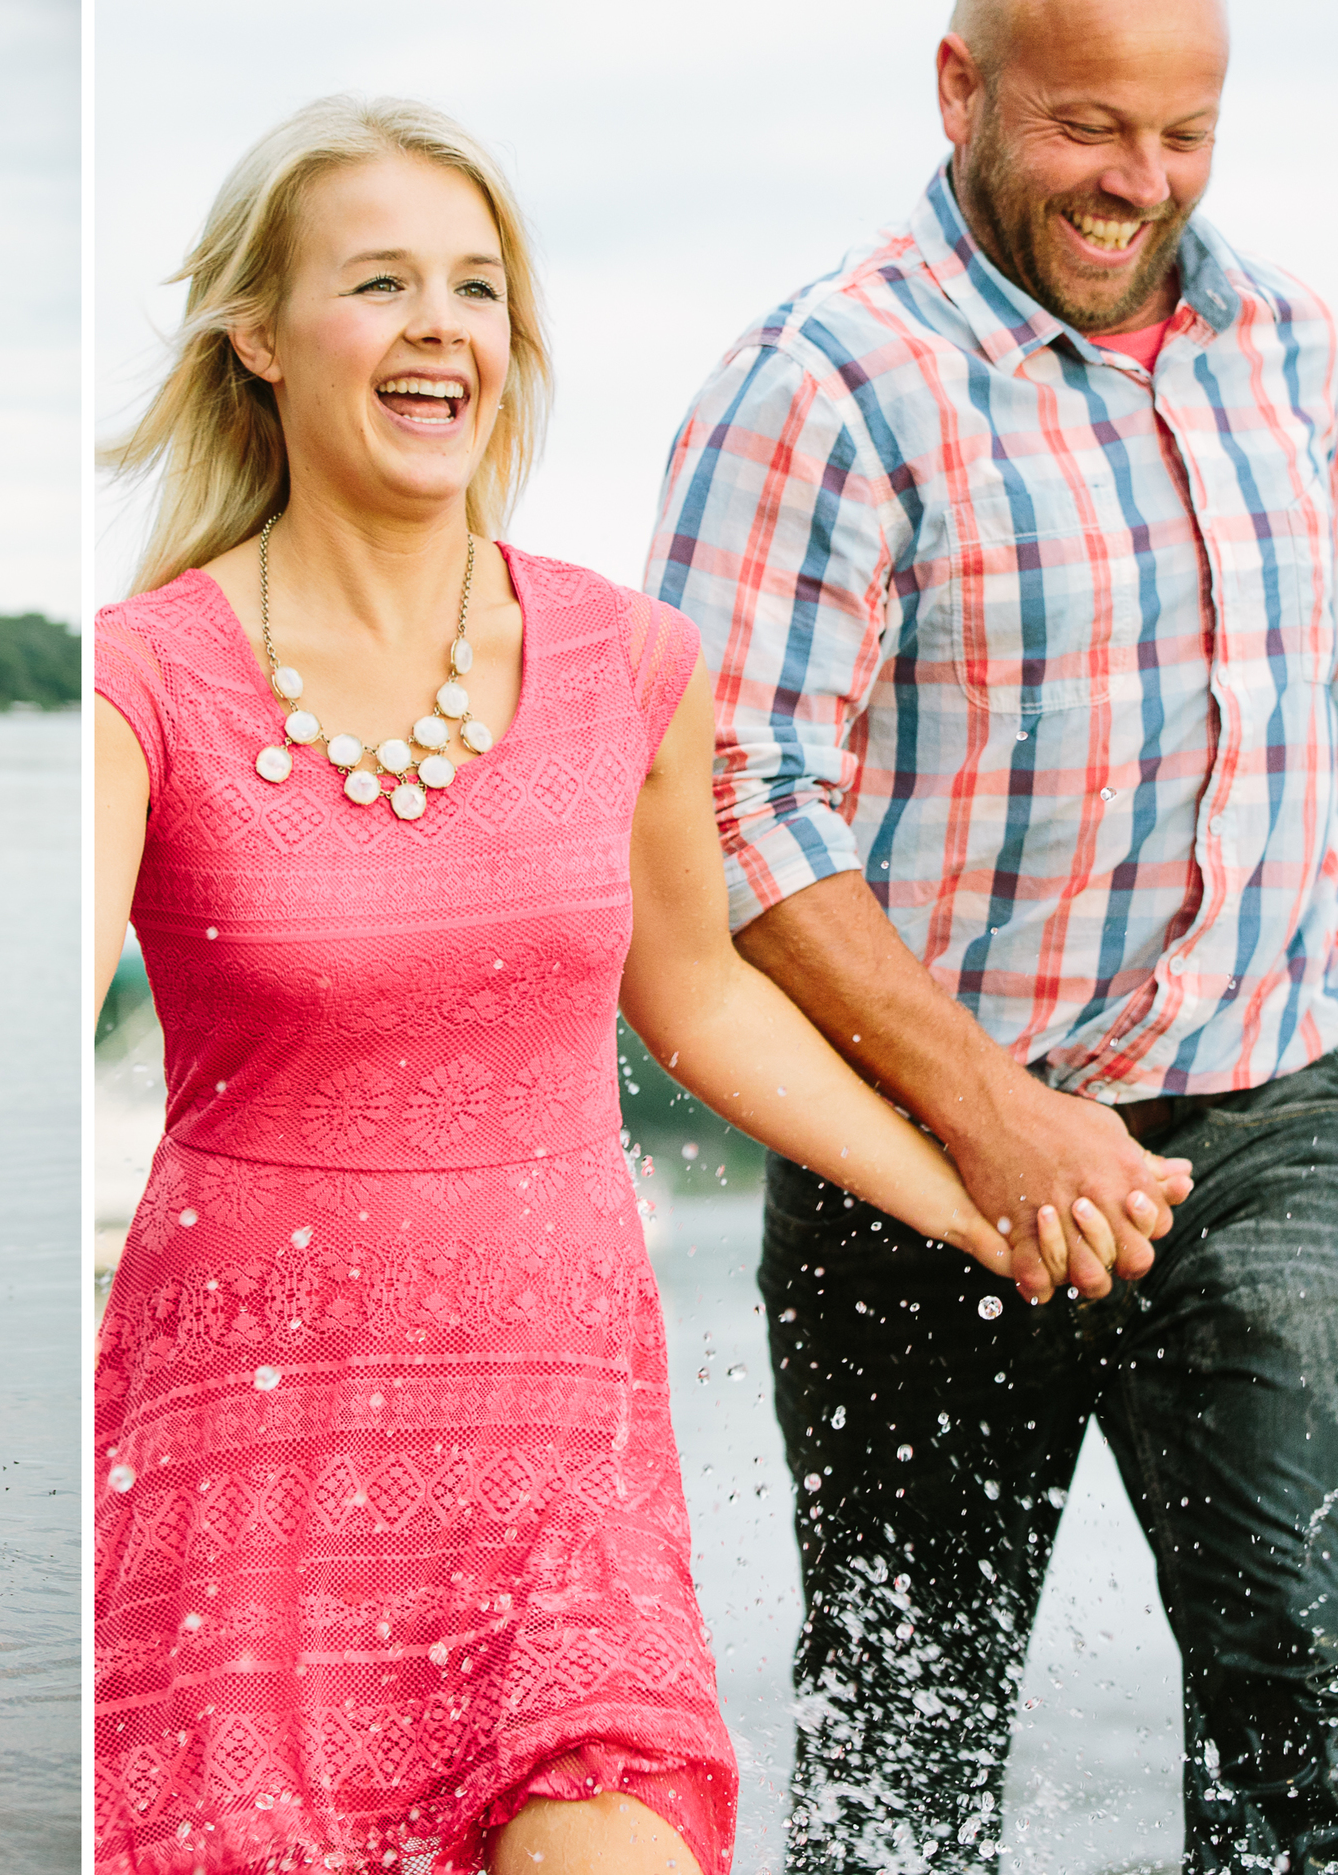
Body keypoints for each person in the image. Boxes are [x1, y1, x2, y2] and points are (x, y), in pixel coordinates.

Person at [90, 95, 1120, 1875]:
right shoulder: (140, 679)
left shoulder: (627, 659)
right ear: (256, 336)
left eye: (477, 290)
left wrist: (982, 1202)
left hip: (555, 1447)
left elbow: (701, 999)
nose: (442, 327)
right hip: (251, 1446)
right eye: (383, 282)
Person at [641, 0, 1331, 1864]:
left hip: (1268, 1130)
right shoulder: (824, 380)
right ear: (964, 89)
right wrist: (991, 1108)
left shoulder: (1301, 353)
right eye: (1091, 126)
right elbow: (726, 796)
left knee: (1315, 1692)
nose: (1141, 183)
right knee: (900, 1752)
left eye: (1185, 136)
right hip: (915, 1148)